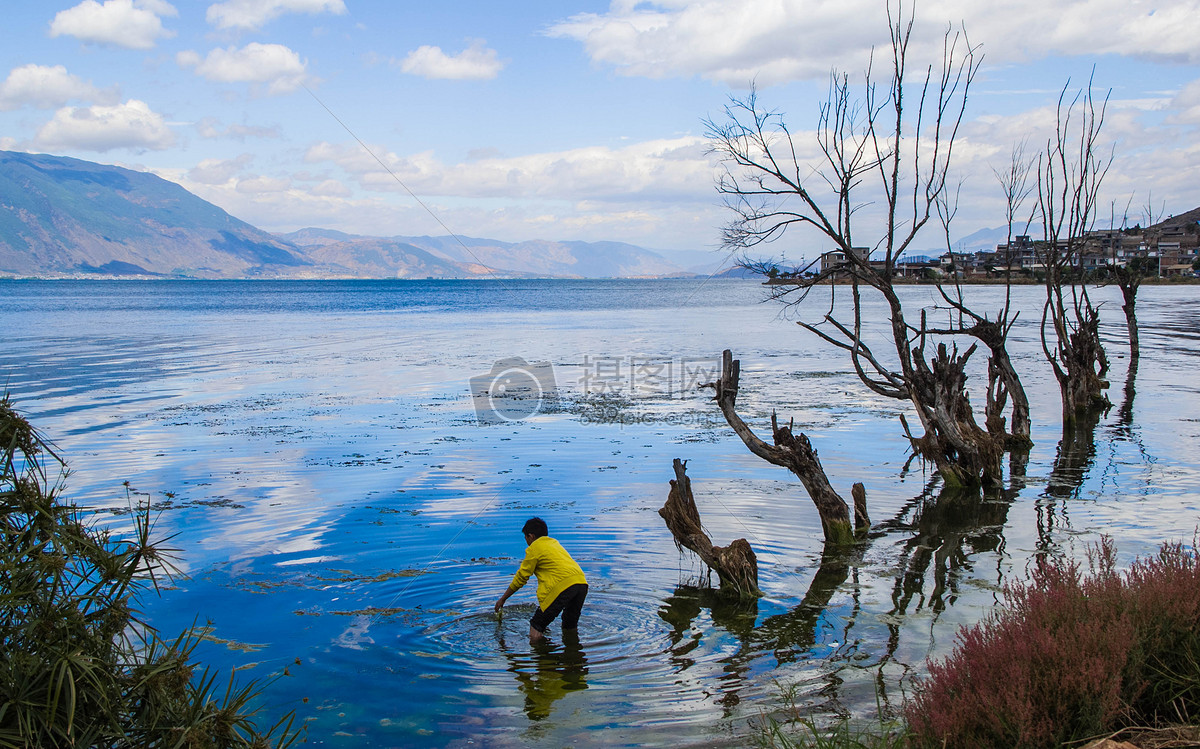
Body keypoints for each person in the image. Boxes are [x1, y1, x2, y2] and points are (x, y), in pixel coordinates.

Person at [494, 517, 588, 643]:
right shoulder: (554, 543)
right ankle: (573, 655)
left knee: (536, 625)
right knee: (569, 625)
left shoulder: (534, 548)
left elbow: (521, 578)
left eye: (526, 538)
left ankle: (542, 657)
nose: (526, 542)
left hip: (562, 587)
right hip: (581, 583)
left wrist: (503, 598)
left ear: (531, 536)